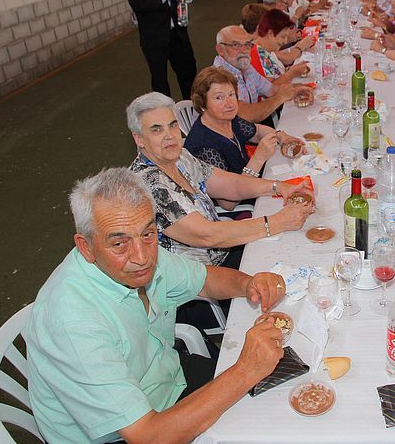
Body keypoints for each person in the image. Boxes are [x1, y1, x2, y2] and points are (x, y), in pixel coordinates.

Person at [24, 167, 287, 443]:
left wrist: (249, 283)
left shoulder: (137, 251)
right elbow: (148, 437)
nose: (142, 258)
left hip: (167, 381)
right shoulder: (74, 323)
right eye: (119, 243)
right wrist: (245, 370)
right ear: (86, 247)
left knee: (281, 401)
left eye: (148, 233)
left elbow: (206, 280)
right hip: (128, 434)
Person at [128, 92, 312, 268]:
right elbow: (207, 236)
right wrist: (278, 222)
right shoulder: (149, 184)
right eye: (157, 130)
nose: (169, 135)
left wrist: (280, 187)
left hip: (223, 250)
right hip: (204, 275)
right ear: (139, 139)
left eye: (173, 125)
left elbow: (230, 184)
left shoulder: (181, 157)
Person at [184, 67, 301, 177]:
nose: (229, 103)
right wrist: (258, 158)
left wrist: (281, 136)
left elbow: (257, 132)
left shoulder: (227, 119)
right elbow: (230, 191)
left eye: (231, 94)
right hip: (244, 189)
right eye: (219, 98)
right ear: (202, 104)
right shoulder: (204, 148)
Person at [213, 25, 306, 124]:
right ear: (220, 49)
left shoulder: (244, 67)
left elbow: (271, 90)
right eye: (236, 45)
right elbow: (245, 115)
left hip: (252, 128)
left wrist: (298, 89)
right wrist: (280, 98)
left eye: (247, 44)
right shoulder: (219, 77)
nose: (244, 50)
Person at [249, 9, 312, 85]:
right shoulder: (257, 53)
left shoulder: (267, 50)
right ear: (270, 33)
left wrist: (292, 70)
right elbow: (269, 88)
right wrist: (292, 73)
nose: (285, 42)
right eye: (283, 37)